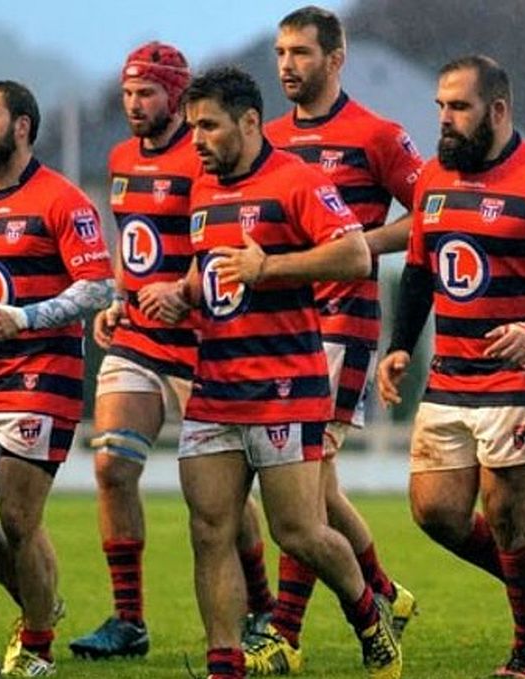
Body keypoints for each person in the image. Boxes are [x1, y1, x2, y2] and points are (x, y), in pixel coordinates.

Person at [177, 65, 401, 679]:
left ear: (249, 121)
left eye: (208, 126)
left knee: (300, 533)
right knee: (209, 531)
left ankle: (367, 613)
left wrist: (269, 269)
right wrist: (181, 293)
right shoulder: (201, 189)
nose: (196, 139)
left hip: (286, 388)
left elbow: (356, 254)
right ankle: (225, 661)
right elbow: (212, 273)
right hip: (216, 388)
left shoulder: (298, 180)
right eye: (193, 126)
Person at [242, 7, 423, 673]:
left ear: (335, 58)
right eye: (282, 52)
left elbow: (429, 212)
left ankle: (285, 633)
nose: (287, 64)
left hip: (343, 322)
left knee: (303, 486)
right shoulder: (271, 138)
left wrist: (356, 246)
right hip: (284, 328)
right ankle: (381, 593)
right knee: (317, 480)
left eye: (302, 52)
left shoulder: (375, 135)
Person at [377, 54, 525, 679]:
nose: (445, 120)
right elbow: (422, 270)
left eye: (459, 107)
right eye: (440, 107)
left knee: (508, 513)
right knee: (436, 513)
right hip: (450, 377)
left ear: (498, 111)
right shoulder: (432, 179)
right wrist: (399, 344)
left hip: (522, 378)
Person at [69, 40, 248, 661]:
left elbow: (222, 232)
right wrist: (121, 295)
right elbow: (133, 240)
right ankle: (129, 620)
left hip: (201, 337)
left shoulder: (202, 156)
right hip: (140, 335)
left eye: (146, 93)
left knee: (221, 494)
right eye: (127, 93)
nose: (134, 104)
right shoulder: (120, 158)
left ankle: (262, 610)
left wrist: (184, 289)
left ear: (176, 94)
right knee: (111, 467)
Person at [0, 79, 113, 677]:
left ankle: (38, 648)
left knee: (20, 520)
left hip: (43, 379)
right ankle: (37, 602)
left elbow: (98, 286)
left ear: (22, 126)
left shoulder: (62, 200)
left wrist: (26, 316)